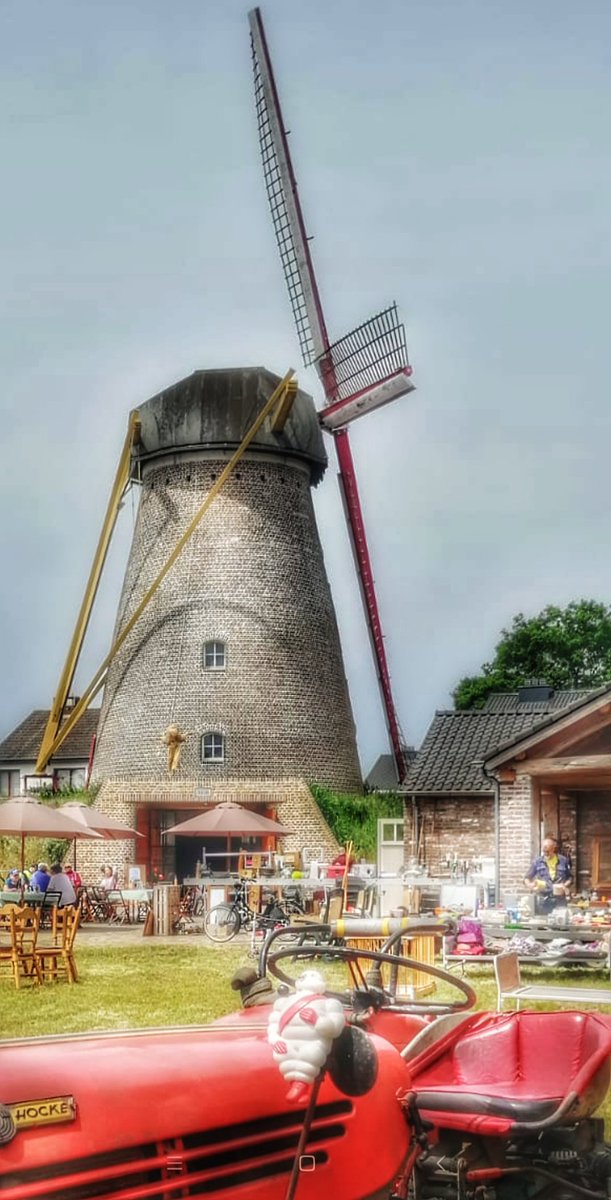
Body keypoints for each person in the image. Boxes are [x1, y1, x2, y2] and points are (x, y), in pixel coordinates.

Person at [524, 835, 572, 914]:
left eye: (548, 851)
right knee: (544, 924)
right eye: (544, 851)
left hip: (560, 900)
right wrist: (530, 885)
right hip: (544, 900)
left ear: (553, 848)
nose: (546, 854)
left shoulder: (563, 860)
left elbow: (570, 877)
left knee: (561, 923)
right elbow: (527, 878)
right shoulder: (537, 861)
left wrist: (565, 885)